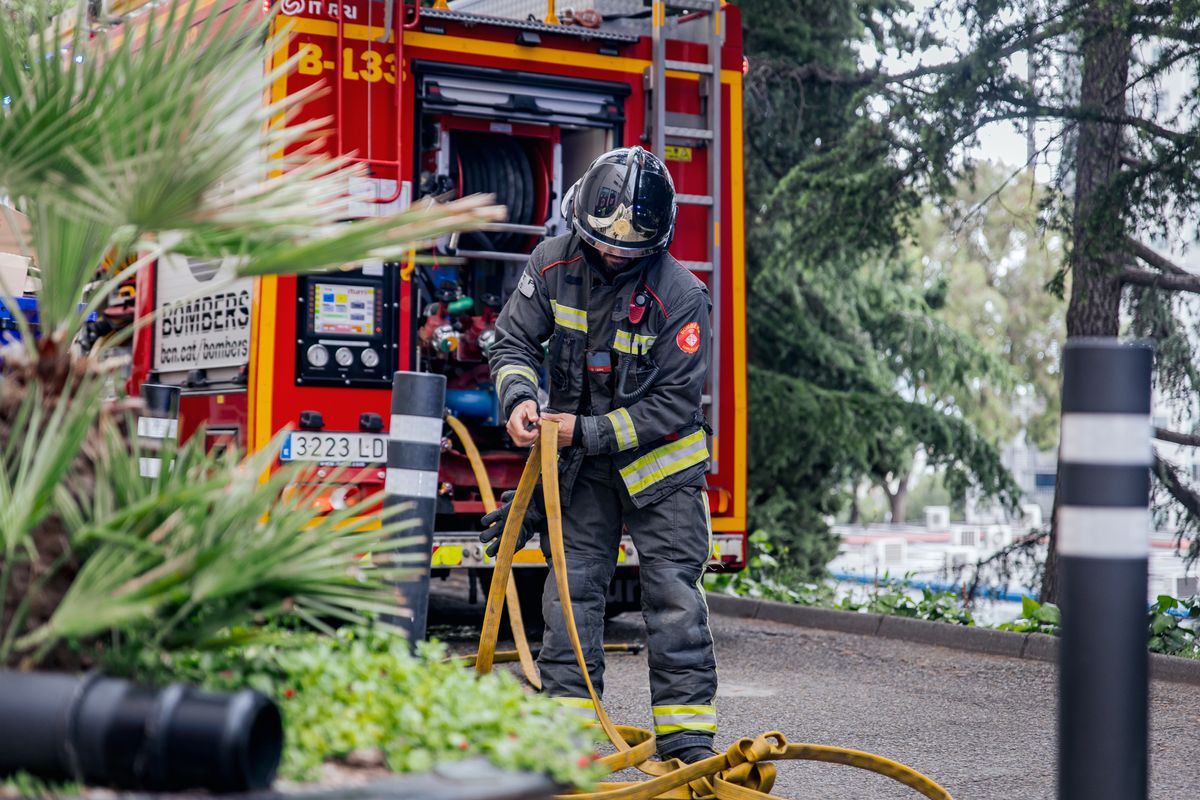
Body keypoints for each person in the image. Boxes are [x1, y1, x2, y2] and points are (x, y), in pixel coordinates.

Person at [482, 146, 718, 764]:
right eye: (603, 243)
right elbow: (512, 341)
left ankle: (688, 743)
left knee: (672, 599)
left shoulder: (682, 297)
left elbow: (672, 405)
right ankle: (569, 737)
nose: (614, 254)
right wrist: (519, 399)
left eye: (630, 251)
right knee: (570, 592)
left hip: (663, 474)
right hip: (582, 470)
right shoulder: (552, 264)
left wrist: (582, 433)